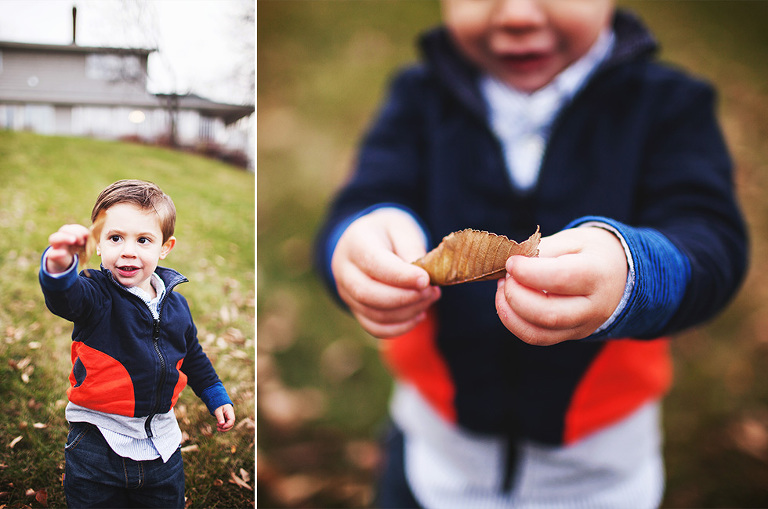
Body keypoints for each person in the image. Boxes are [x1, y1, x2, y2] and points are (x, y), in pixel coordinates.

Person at [314, 1, 749, 508]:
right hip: (433, 461)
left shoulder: (670, 105)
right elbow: (366, 197)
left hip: (600, 479)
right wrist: (360, 241)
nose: (517, 14)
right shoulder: (420, 96)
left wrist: (636, 271)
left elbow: (711, 239)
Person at [39, 179, 235, 508]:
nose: (128, 250)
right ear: (98, 243)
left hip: (161, 445)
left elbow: (192, 356)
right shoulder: (95, 294)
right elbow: (65, 298)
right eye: (116, 238)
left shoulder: (176, 307)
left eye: (143, 240)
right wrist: (59, 266)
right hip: (96, 443)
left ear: (165, 247)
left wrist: (215, 394)